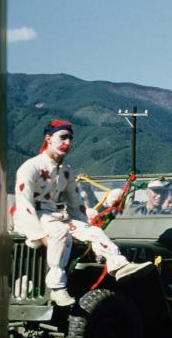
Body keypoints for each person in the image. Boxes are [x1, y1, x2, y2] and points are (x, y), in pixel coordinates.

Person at [11, 119, 154, 306]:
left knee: (94, 231)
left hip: (52, 216)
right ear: (48, 138)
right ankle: (57, 287)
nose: (68, 142)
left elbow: (76, 205)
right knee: (59, 232)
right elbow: (23, 203)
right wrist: (37, 234)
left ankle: (119, 265)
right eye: (62, 137)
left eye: (70, 138)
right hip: (31, 216)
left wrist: (83, 228)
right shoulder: (31, 167)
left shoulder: (67, 172)